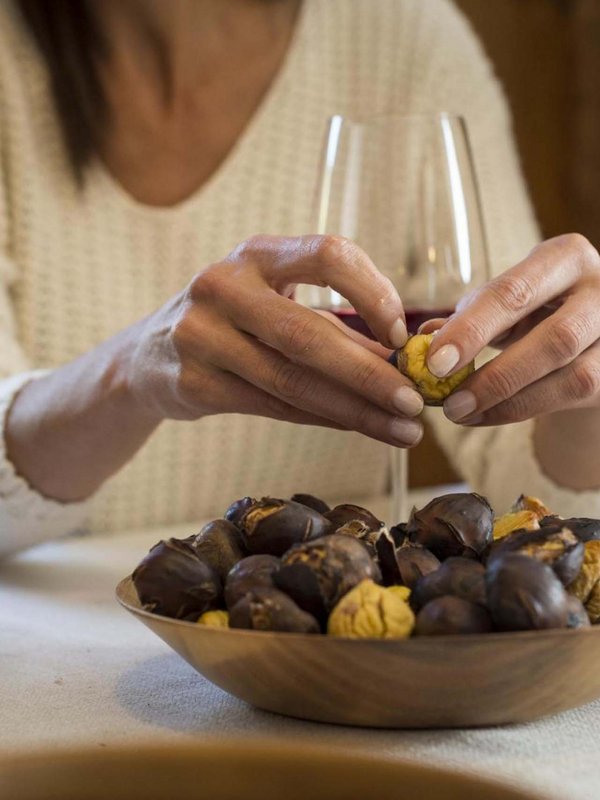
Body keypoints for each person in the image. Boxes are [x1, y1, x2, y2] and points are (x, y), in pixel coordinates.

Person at [0, 0, 599, 558]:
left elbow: (537, 503)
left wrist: (581, 384)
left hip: (328, 646)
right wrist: (131, 374)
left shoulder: (400, 33)